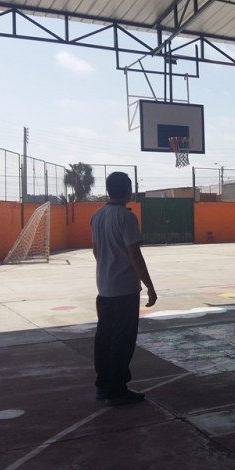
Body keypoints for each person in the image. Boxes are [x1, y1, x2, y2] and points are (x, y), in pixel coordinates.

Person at [91, 172, 158, 405]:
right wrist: (150, 286)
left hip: (104, 288)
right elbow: (134, 255)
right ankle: (117, 389)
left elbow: (96, 250)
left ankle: (103, 385)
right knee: (122, 340)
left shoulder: (97, 216)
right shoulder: (126, 217)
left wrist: (107, 268)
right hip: (124, 290)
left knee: (104, 337)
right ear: (128, 190)